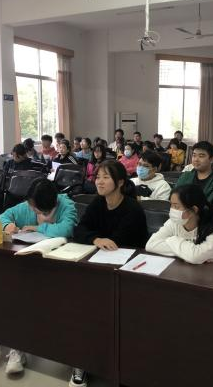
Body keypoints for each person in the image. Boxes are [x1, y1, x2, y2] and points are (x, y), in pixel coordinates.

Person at [0, 179, 77, 374]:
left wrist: (37, 228)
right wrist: (7, 225)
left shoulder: (66, 204)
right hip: (30, 264)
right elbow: (5, 216)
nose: (31, 209)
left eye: (35, 208)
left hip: (58, 269)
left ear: (48, 204)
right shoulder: (29, 205)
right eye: (31, 205)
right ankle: (5, 342)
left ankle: (15, 347)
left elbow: (66, 229)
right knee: (10, 294)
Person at [71, 160, 147, 387]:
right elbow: (79, 230)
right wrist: (95, 239)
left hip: (129, 273)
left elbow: (118, 242)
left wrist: (98, 239)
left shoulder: (132, 209)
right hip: (99, 266)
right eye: (98, 177)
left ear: (120, 182)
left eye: (106, 177)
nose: (99, 182)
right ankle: (82, 359)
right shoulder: (98, 202)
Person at [146, 184, 213, 264]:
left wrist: (172, 240)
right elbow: (151, 245)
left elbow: (195, 257)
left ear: (194, 209)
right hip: (187, 267)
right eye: (171, 205)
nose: (172, 210)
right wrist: (186, 253)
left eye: (176, 206)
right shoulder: (174, 222)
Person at [175, 141, 213, 208]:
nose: (196, 159)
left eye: (201, 156)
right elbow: (175, 197)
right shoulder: (185, 176)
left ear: (211, 159)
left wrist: (198, 211)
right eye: (194, 155)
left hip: (209, 214)